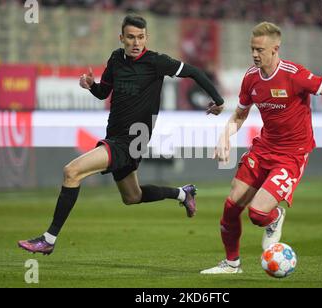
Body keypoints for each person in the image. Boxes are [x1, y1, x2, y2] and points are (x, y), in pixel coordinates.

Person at [201, 22, 322, 274]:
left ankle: (275, 218)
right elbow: (240, 115)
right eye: (252, 48)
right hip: (263, 149)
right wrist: (225, 136)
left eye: (260, 49)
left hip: (292, 155)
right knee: (231, 207)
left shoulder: (294, 75)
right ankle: (231, 264)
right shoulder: (251, 78)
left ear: (276, 49)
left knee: (258, 214)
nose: (254, 54)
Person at [18, 14, 225, 255]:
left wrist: (218, 101)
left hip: (132, 140)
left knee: (71, 172)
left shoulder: (157, 62)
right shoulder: (116, 59)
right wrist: (91, 86)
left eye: (140, 37)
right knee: (132, 196)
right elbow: (103, 92)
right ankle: (183, 193)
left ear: (146, 38)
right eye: (130, 37)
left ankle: (48, 239)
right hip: (116, 135)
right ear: (121, 38)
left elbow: (194, 72)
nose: (136, 42)